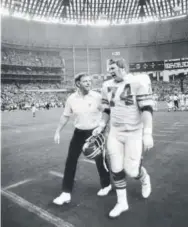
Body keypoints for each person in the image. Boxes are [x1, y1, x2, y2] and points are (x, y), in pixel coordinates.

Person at [93, 59, 154, 218]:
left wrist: (147, 133)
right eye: (109, 69)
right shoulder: (106, 85)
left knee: (131, 170)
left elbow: (146, 109)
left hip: (134, 132)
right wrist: (101, 125)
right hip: (115, 132)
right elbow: (106, 109)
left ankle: (144, 178)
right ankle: (122, 203)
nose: (110, 71)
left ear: (123, 68)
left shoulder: (138, 81)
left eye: (113, 68)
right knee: (116, 168)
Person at [53, 72, 111, 206]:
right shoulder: (71, 99)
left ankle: (106, 184)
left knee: (100, 160)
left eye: (89, 81)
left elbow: (106, 112)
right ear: (78, 83)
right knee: (70, 161)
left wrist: (103, 127)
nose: (88, 83)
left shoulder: (97, 96)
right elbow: (65, 116)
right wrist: (57, 131)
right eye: (85, 81)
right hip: (79, 133)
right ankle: (66, 193)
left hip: (95, 132)